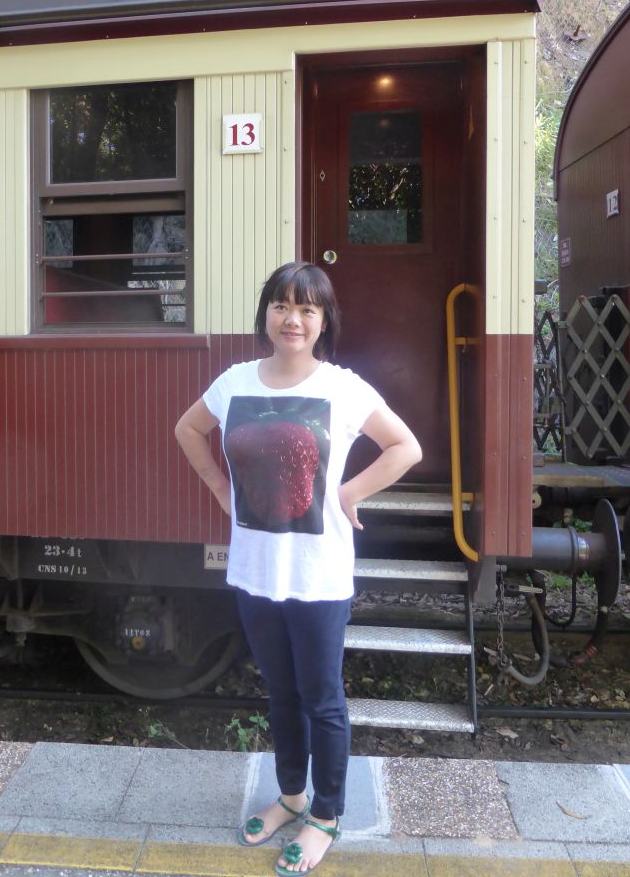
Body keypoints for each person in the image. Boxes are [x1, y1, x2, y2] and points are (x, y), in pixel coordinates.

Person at [174, 261, 421, 876]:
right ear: (266, 313)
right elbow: (187, 429)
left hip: (318, 573)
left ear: (323, 321)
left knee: (323, 699)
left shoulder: (343, 386)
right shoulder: (234, 383)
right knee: (280, 692)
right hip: (255, 570)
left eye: (308, 308)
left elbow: (405, 447)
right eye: (283, 305)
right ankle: (291, 798)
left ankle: (328, 816)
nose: (294, 318)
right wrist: (218, 489)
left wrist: (347, 495)